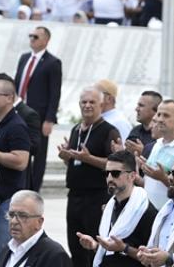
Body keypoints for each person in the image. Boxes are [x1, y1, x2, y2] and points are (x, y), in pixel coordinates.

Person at [62, 88, 123, 267]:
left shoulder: (109, 131)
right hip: (74, 196)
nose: (87, 106)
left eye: (92, 102)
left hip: (96, 197)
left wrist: (88, 159)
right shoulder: (75, 129)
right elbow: (75, 163)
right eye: (84, 102)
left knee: (93, 246)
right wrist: (68, 157)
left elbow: (114, 164)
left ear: (101, 105)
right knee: (75, 245)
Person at [0, 75, 35, 261]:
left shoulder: (17, 126)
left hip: (6, 199)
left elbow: (21, 161)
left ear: (10, 98)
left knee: (6, 251)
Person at [74, 150, 156, 267]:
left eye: (115, 173)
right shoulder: (108, 207)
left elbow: (153, 259)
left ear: (132, 176)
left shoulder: (146, 211)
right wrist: (95, 246)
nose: (109, 178)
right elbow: (110, 251)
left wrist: (124, 248)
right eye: (107, 173)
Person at [16, 26, 62, 189]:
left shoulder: (53, 63)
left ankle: (34, 188)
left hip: (39, 115)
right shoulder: (24, 58)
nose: (32, 39)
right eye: (31, 36)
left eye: (36, 36)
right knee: (21, 147)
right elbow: (17, 84)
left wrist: (49, 119)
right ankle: (22, 184)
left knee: (39, 153)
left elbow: (54, 93)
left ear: (46, 40)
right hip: (20, 111)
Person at [3, 190, 73, 267]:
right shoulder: (7, 249)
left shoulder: (54, 255)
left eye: (22, 216)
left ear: (39, 222)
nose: (14, 221)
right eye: (11, 215)